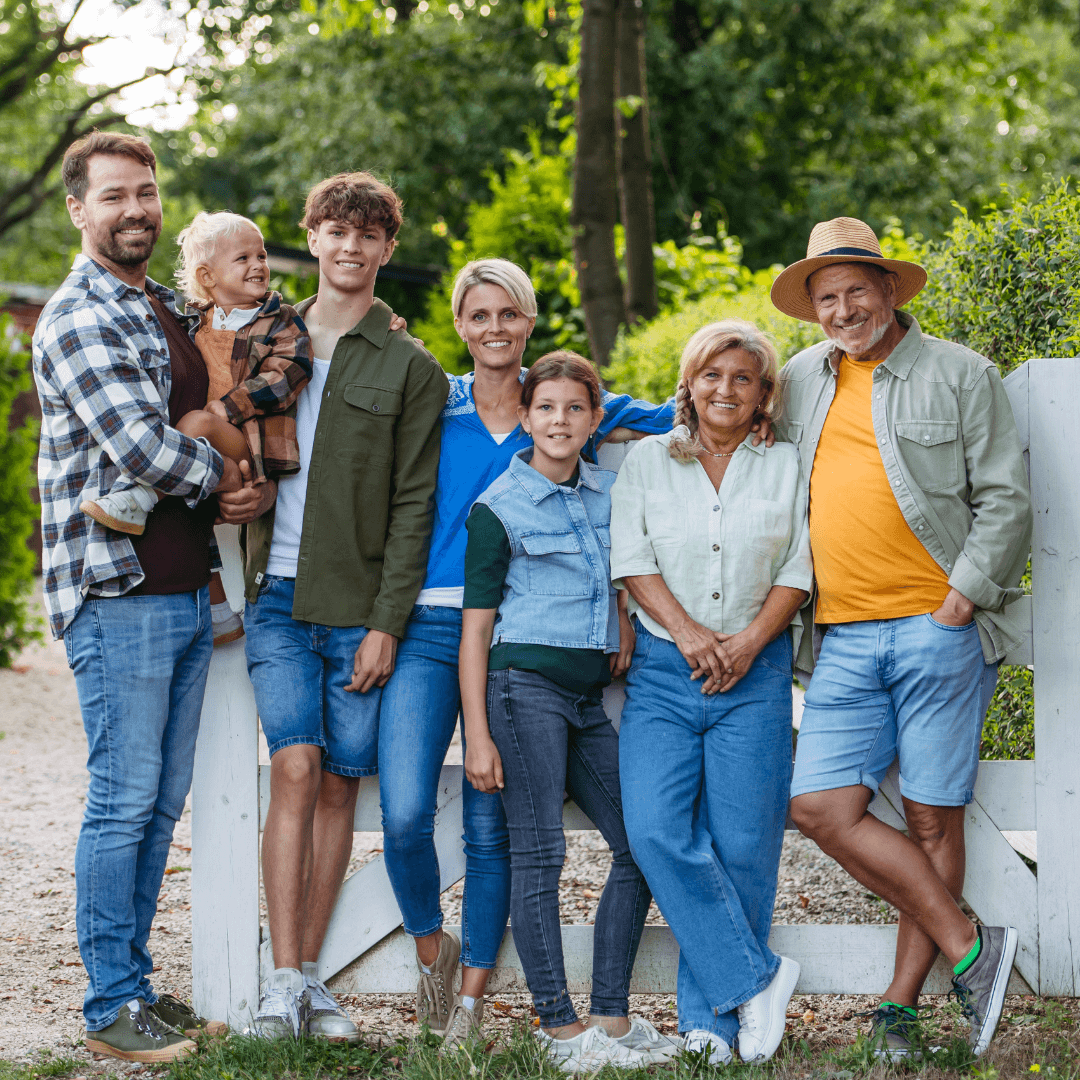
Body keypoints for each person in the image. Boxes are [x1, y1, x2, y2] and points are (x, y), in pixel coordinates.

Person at [375, 258, 674, 1050]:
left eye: (509, 313)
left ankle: (472, 1005)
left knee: (495, 831)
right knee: (403, 812)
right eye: (479, 314)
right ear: (460, 324)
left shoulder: (561, 406)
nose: (495, 328)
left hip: (522, 640)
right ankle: (432, 952)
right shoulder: (434, 401)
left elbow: (674, 414)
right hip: (436, 623)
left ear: (530, 321)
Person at [770, 217, 1032, 1059]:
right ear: (813, 308)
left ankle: (900, 1013)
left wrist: (960, 600)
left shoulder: (960, 373)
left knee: (930, 818)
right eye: (827, 297)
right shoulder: (799, 380)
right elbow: (717, 409)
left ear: (889, 289)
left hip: (936, 627)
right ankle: (971, 946)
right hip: (841, 637)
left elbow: (1005, 498)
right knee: (818, 806)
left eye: (856, 290)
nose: (843, 310)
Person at [32, 131, 232, 1062]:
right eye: (114, 196)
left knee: (157, 806)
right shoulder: (79, 315)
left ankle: (137, 988)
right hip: (117, 593)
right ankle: (110, 1004)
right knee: (123, 801)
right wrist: (232, 474)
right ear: (79, 209)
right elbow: (141, 449)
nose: (135, 210)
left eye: (145, 192)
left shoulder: (156, 303)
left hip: (181, 587)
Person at [242, 172, 449, 1041]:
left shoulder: (412, 367)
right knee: (295, 767)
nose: (351, 247)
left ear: (386, 249)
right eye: (336, 230)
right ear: (313, 238)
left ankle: (309, 982)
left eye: (368, 234)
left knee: (336, 787)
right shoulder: (261, 339)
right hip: (277, 602)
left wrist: (386, 624)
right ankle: (281, 980)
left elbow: (415, 505)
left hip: (358, 612)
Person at [459, 352, 677, 1074]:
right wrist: (477, 735)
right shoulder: (497, 508)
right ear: (526, 418)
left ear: (595, 419)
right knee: (540, 852)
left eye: (575, 408)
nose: (560, 421)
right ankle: (558, 1028)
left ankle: (609, 1017)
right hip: (521, 691)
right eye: (546, 407)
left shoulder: (610, 493)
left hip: (584, 701)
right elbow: (476, 632)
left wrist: (622, 610)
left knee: (641, 841)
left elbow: (622, 568)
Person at [611, 320, 811, 1064]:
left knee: (744, 847)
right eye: (712, 375)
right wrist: (691, 634)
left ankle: (710, 1028)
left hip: (756, 673)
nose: (725, 389)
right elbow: (631, 556)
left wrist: (749, 643)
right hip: (667, 670)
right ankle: (758, 978)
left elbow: (800, 565)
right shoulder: (647, 460)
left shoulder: (787, 464)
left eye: (743, 378)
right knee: (654, 829)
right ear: (689, 385)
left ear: (764, 394)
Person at [79, 210, 313, 647]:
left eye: (261, 255)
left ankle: (142, 496)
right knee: (194, 511)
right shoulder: (190, 320)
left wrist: (228, 407)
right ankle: (220, 610)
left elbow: (290, 371)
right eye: (242, 258)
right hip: (201, 449)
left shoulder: (279, 319)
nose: (258, 265)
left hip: (250, 444)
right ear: (207, 276)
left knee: (196, 424)